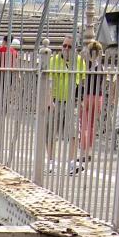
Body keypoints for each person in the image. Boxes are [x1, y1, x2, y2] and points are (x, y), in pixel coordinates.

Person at [45, 37, 86, 172]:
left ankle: (72, 162)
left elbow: (82, 83)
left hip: (71, 101)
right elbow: (49, 81)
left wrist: (80, 100)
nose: (66, 49)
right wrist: (49, 99)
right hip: (56, 99)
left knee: (74, 132)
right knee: (50, 131)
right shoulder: (54, 60)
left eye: (69, 46)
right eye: (64, 46)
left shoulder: (79, 61)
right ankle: (51, 161)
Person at [73, 40, 106, 173]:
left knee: (84, 124)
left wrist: (79, 98)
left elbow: (80, 82)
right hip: (98, 97)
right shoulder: (101, 67)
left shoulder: (85, 66)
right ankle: (90, 151)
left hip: (86, 97)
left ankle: (83, 152)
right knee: (92, 125)